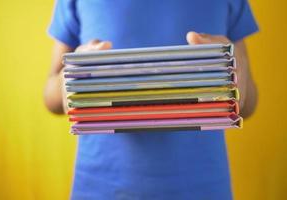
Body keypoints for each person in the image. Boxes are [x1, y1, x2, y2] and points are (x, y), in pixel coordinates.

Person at [44, 0, 258, 199]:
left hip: (203, 187)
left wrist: (236, 80)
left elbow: (247, 105)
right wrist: (70, 79)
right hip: (100, 187)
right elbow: (50, 96)